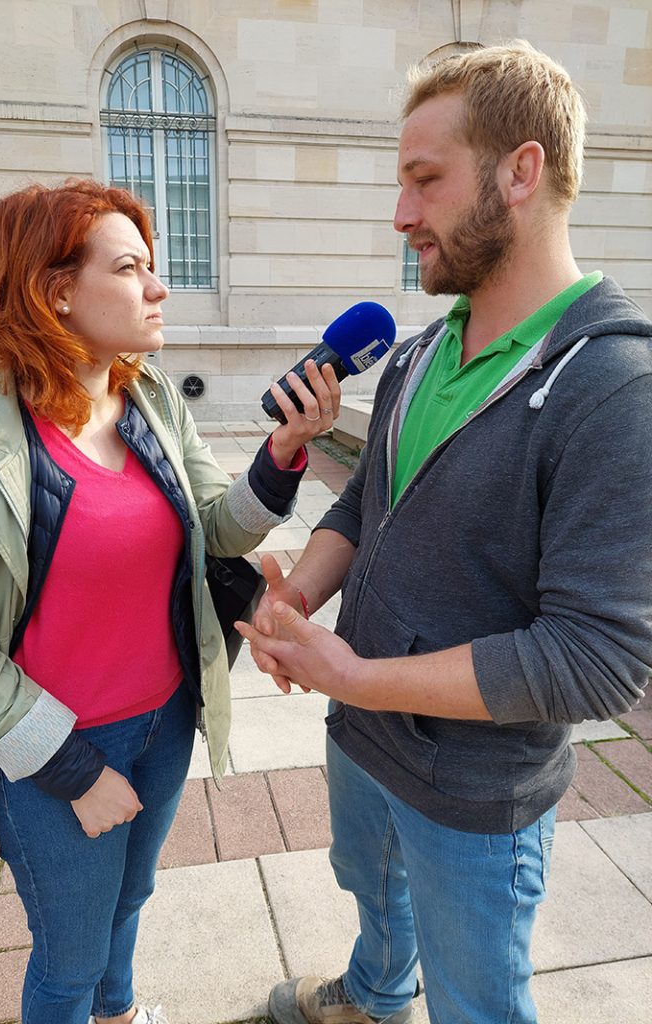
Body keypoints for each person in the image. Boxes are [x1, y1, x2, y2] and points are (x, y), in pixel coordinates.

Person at [238, 42, 652, 1024]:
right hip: (363, 740)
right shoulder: (421, 350)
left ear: (521, 171)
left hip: (472, 801)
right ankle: (378, 990)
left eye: (425, 180)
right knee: (373, 900)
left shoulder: (614, 390)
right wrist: (301, 595)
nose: (401, 214)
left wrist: (353, 674)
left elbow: (595, 661)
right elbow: (364, 505)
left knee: (478, 1001)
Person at [0, 177, 341, 1024]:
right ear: (57, 291)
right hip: (52, 753)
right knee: (68, 961)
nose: (158, 287)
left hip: (165, 721)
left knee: (129, 904)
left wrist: (284, 451)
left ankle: (122, 1015)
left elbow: (219, 525)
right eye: (131, 268)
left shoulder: (151, 396)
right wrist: (73, 769)